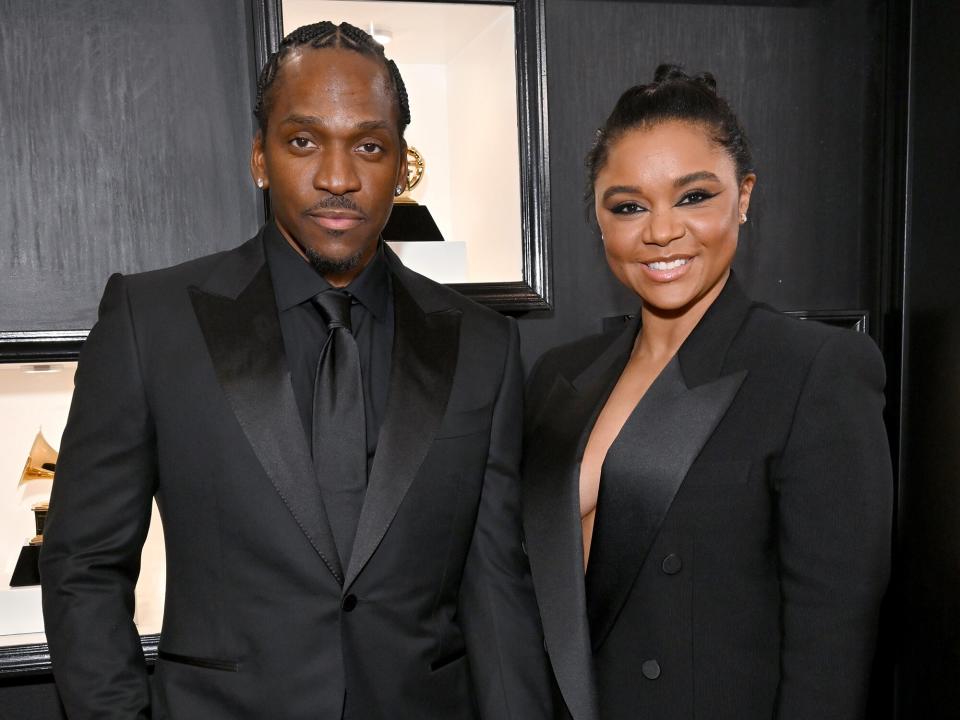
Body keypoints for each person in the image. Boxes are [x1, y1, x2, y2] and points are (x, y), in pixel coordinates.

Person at [41, 21, 553, 720]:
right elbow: (82, 567)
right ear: (259, 156)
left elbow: (496, 593)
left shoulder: (483, 345)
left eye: (369, 146)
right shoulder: (151, 321)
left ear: (403, 165)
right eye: (304, 141)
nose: (338, 178)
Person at [521, 65, 892, 720]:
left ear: (743, 196)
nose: (662, 231)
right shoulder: (559, 375)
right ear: (599, 222)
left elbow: (830, 652)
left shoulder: (816, 371)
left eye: (693, 196)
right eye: (629, 206)